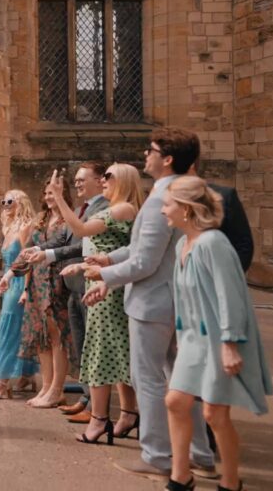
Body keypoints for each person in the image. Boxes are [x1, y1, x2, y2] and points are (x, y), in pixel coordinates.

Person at [84, 129, 216, 477]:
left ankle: (157, 454)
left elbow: (146, 262)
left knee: (149, 380)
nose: (146, 155)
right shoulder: (171, 193)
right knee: (179, 378)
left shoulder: (161, 198)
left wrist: (105, 277)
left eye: (152, 150)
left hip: (153, 302)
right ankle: (200, 454)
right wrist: (109, 260)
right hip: (170, 299)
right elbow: (144, 249)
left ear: (168, 158)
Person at [160, 176, 273, 491]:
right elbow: (184, 301)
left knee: (214, 413)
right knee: (176, 401)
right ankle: (180, 478)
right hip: (193, 340)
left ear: (185, 207)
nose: (162, 211)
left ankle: (231, 482)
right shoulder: (183, 243)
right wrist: (182, 340)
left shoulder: (214, 243)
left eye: (166, 205)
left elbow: (230, 295)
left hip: (218, 340)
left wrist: (230, 344)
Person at [51, 165, 141, 446]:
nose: (104, 180)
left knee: (101, 354)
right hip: (100, 282)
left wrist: (59, 196)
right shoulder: (117, 208)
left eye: (109, 176)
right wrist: (81, 264)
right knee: (116, 354)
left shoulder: (123, 208)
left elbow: (79, 229)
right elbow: (103, 249)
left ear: (124, 180)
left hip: (108, 292)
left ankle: (99, 419)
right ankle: (128, 414)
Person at [20, 162, 108, 421]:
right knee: (71, 345)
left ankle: (84, 402)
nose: (79, 183)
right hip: (59, 283)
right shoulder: (81, 209)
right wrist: (36, 254)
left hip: (76, 283)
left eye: (83, 180)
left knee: (78, 344)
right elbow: (58, 242)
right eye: (77, 180)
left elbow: (77, 244)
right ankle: (82, 398)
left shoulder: (94, 210)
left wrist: (46, 254)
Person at [16, 177, 73, 409]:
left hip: (58, 278)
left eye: (53, 193)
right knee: (41, 335)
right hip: (37, 280)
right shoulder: (41, 220)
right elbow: (26, 249)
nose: (49, 197)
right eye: (46, 193)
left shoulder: (69, 219)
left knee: (57, 334)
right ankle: (46, 385)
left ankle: (57, 389)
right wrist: (13, 276)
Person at [0, 190, 39, 399]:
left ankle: (2, 382)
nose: (6, 205)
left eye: (10, 201)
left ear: (21, 203)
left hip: (20, 282)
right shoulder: (8, 227)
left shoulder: (26, 227)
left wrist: (26, 290)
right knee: (18, 329)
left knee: (7, 331)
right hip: (9, 282)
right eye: (4, 202)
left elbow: (27, 260)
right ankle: (27, 376)